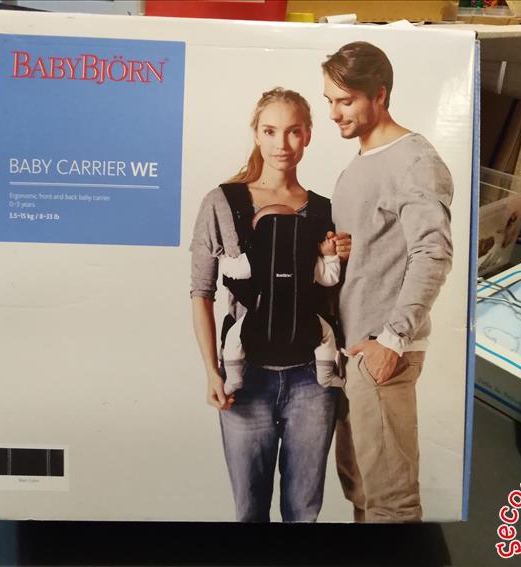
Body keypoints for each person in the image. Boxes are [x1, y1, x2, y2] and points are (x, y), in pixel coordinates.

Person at [189, 87, 350, 522]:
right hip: (245, 377)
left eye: (294, 131)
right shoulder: (222, 203)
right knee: (249, 511)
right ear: (256, 133)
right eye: (270, 131)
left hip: (312, 380)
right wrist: (212, 371)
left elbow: (334, 294)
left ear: (309, 135)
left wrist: (344, 255)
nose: (282, 144)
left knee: (303, 512)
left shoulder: (326, 211)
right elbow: (201, 292)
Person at [322, 42, 454, 523]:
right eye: (329, 101)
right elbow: (375, 248)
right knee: (360, 491)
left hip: (382, 351)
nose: (335, 114)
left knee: (391, 503)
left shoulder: (414, 160)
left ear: (379, 95)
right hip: (353, 351)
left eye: (346, 101)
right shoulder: (361, 163)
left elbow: (433, 252)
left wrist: (391, 340)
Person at [219, 203, 344, 394]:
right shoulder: (307, 257)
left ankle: (234, 377)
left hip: (261, 318)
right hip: (302, 318)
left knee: (234, 337)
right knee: (326, 335)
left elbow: (233, 270)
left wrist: (223, 259)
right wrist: (329, 257)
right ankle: (325, 375)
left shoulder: (255, 256)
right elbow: (330, 279)